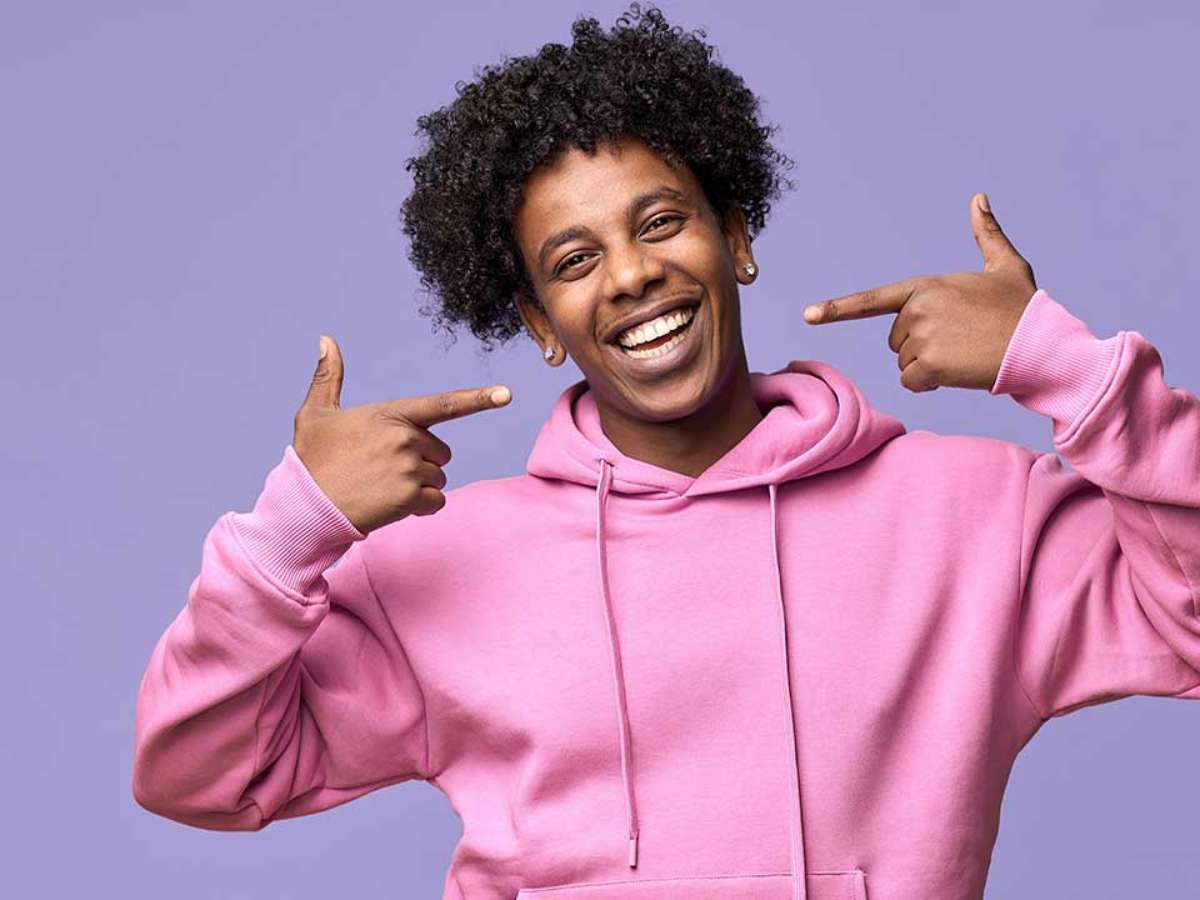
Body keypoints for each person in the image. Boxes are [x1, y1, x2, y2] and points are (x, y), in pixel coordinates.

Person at [131, 4, 1200, 899]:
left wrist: (1065, 368)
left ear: (735, 237)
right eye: (574, 260)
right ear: (541, 322)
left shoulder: (976, 517)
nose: (632, 275)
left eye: (659, 223)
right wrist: (289, 532)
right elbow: (201, 776)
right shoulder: (443, 565)